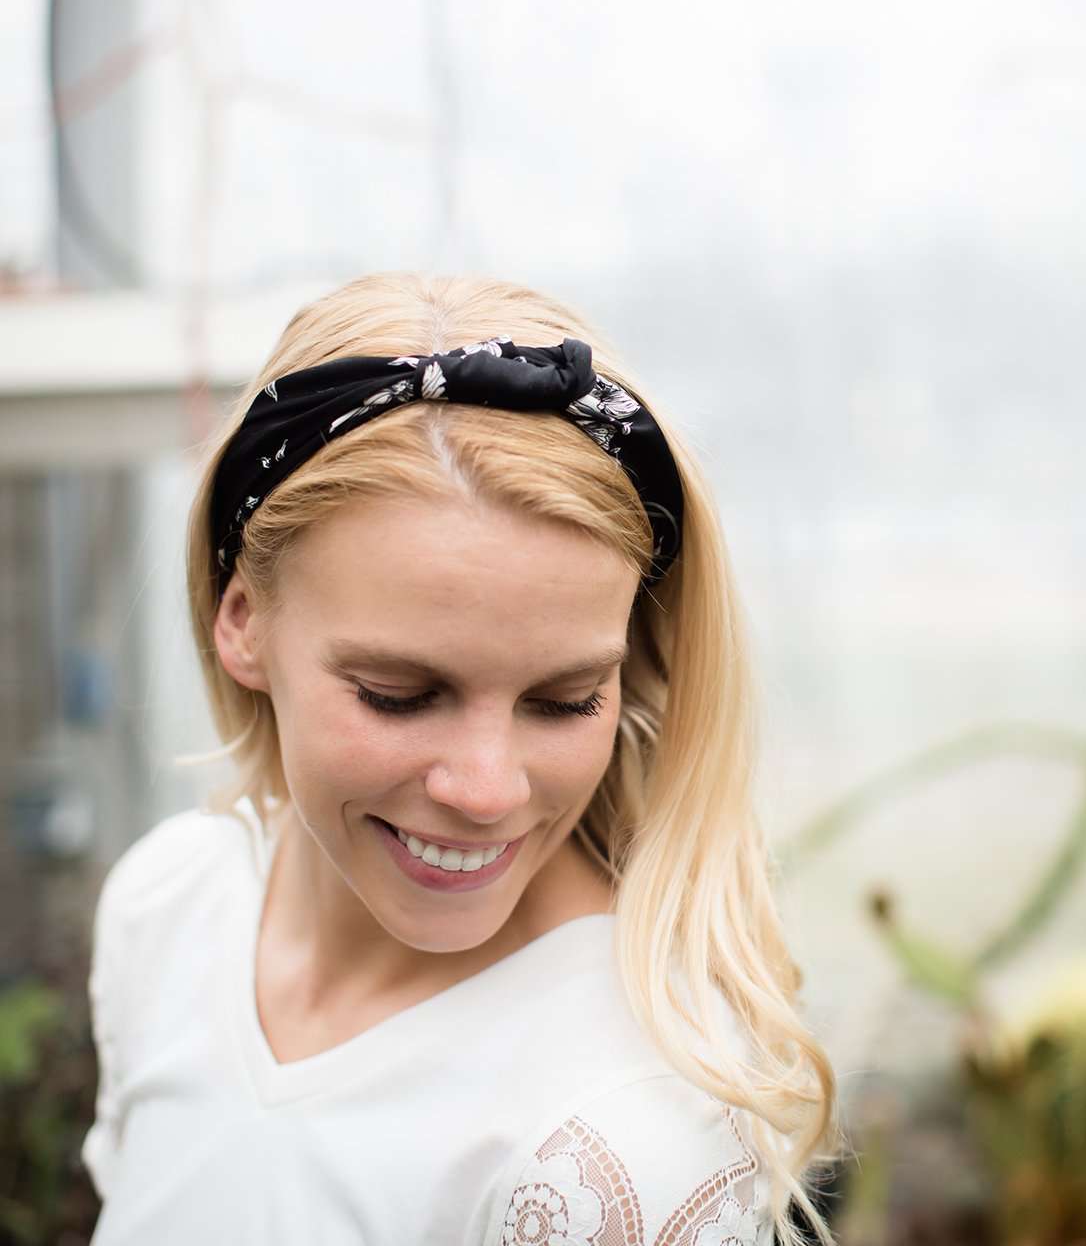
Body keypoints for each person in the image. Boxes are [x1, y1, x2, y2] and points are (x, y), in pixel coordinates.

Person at [80, 271, 839, 1245]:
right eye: (399, 695)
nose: (486, 791)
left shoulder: (612, 1150)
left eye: (565, 702)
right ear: (243, 623)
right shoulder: (170, 909)